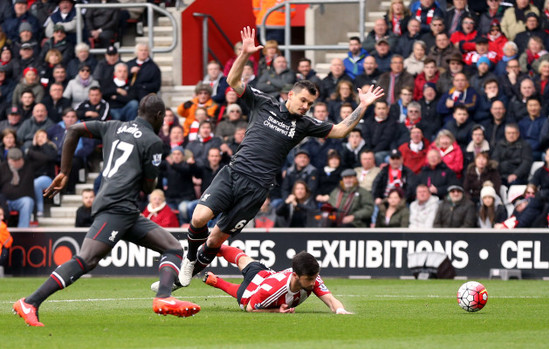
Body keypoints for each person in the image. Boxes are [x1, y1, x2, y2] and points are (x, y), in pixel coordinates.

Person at [176, 27, 384, 289]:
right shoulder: (264, 103)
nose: (305, 106)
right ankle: (189, 259)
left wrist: (362, 106)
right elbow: (233, 82)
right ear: (290, 95)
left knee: (216, 239)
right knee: (198, 218)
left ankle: (182, 277)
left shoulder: (305, 123)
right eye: (303, 101)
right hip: (234, 173)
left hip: (257, 188)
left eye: (309, 103)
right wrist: (243, 54)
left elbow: (341, 130)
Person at [13, 94, 201, 327]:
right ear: (160, 116)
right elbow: (148, 186)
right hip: (117, 206)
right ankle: (29, 302)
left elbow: (72, 129)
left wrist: (64, 172)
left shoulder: (113, 126)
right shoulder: (153, 141)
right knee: (87, 259)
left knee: (172, 247)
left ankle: (164, 297)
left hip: (125, 209)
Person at [200, 246, 351, 314]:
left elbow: (330, 300)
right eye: (309, 279)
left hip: (266, 274)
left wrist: (340, 310)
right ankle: (211, 246)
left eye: (314, 278)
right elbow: (251, 308)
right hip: (253, 292)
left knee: (244, 259)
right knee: (242, 294)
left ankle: (215, 275)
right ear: (295, 276)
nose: (314, 282)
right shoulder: (274, 290)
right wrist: (276, 310)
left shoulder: (313, 278)